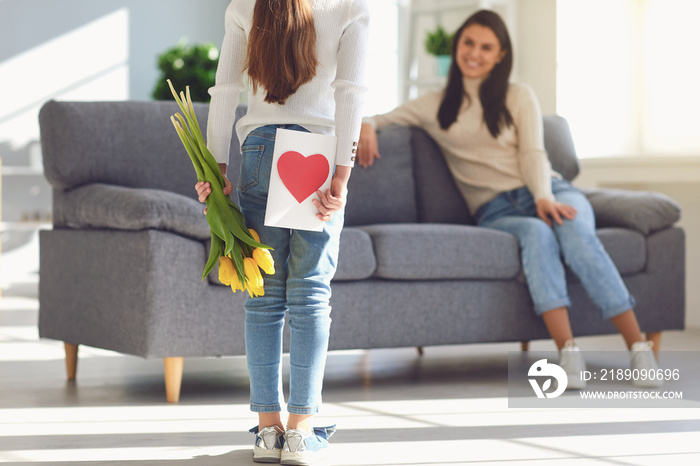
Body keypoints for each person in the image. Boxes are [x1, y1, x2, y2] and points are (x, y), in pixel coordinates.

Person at [357, 9, 660, 390]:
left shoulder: (518, 95)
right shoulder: (433, 104)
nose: (475, 53)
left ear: (500, 55)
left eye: (487, 47)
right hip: (496, 209)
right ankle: (568, 352)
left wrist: (543, 197)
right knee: (537, 237)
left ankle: (638, 347)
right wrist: (367, 124)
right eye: (469, 43)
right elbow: (380, 117)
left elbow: (533, 152)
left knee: (574, 234)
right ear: (457, 45)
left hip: (551, 190)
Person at [197, 0, 369, 464]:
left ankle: (267, 431)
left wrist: (215, 170)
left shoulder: (246, 6)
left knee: (264, 294)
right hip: (317, 151)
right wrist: (342, 173)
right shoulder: (350, 5)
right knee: (311, 293)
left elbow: (225, 89)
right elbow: (351, 91)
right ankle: (300, 430)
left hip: (259, 149)